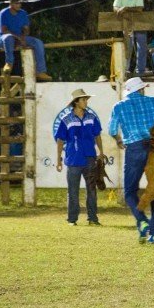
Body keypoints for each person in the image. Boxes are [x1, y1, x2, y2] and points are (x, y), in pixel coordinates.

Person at [108, 76, 154, 245]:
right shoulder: (152, 101)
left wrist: (118, 140)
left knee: (130, 191)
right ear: (141, 89)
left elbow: (111, 129)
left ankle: (142, 220)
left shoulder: (119, 106)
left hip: (135, 148)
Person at [54, 88, 104, 226]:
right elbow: (60, 140)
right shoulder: (66, 119)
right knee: (73, 191)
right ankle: (72, 219)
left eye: (86, 99)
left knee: (92, 190)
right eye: (83, 99)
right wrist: (58, 158)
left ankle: (93, 219)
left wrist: (101, 152)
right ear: (76, 102)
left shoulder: (91, 118)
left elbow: (97, 135)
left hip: (90, 157)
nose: (86, 102)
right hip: (73, 159)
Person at [0, 0, 51, 81]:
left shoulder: (23, 13)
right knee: (8, 38)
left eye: (20, 3)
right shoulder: (3, 13)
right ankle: (9, 63)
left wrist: (22, 37)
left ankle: (40, 71)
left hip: (20, 37)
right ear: (10, 4)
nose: (19, 5)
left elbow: (26, 29)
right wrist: (18, 38)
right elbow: (4, 30)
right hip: (7, 38)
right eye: (16, 3)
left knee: (38, 42)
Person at [113, 0, 147, 76]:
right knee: (128, 47)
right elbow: (115, 8)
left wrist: (125, 8)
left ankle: (140, 71)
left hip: (139, 24)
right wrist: (119, 10)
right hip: (126, 25)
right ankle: (126, 70)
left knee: (142, 47)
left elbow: (140, 9)